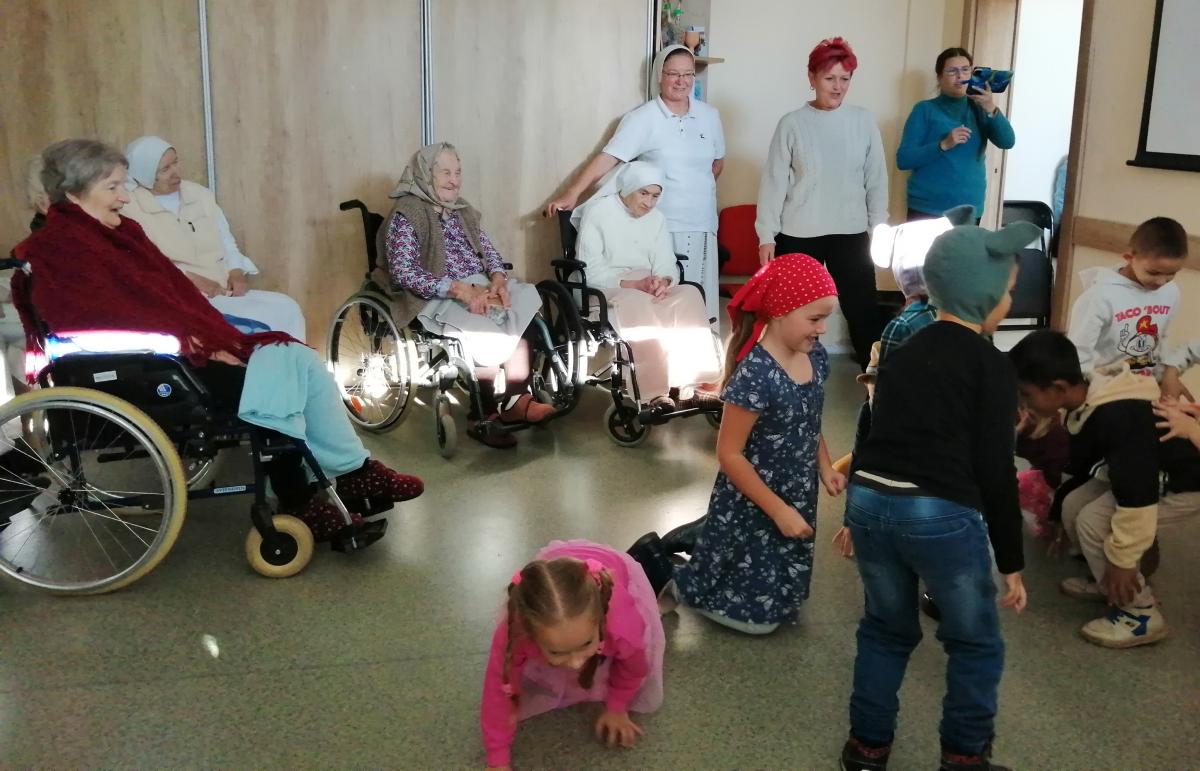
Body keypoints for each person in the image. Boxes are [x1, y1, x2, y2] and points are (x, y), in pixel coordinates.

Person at [12, 139, 423, 541]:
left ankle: (353, 472)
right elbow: (92, 329)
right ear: (73, 194)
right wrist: (194, 344)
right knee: (275, 382)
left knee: (298, 359)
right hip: (140, 370)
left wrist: (213, 337)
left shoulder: (121, 233)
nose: (124, 196)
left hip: (172, 353)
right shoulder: (60, 249)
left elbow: (175, 295)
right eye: (113, 187)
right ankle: (298, 497)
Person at [837, 219, 1040, 771]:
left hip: (871, 501)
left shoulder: (904, 349)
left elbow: (873, 433)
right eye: (1007, 289)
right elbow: (995, 470)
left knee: (885, 630)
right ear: (984, 294)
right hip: (939, 513)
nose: (1010, 299)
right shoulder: (992, 365)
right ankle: (964, 757)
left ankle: (866, 750)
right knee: (974, 642)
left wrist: (854, 514)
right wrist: (1011, 561)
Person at [630, 254, 847, 635]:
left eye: (826, 318)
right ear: (779, 311)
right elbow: (728, 454)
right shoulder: (755, 375)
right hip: (753, 498)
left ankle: (702, 537)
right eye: (815, 318)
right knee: (757, 623)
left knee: (779, 591)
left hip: (796, 490)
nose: (823, 329)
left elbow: (809, 421)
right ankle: (666, 571)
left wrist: (825, 466)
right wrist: (778, 510)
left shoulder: (814, 357)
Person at [1010, 330, 1200, 649]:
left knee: (1094, 523)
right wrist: (1058, 516)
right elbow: (1084, 468)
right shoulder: (1087, 400)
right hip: (1146, 476)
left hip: (1183, 482)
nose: (1023, 403)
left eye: (1026, 394)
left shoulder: (1118, 415)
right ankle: (1107, 583)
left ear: (1058, 388)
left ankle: (1140, 614)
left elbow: (1138, 495)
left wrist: (1123, 560)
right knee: (1074, 506)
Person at [381, 142, 554, 449]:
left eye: (458, 172)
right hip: (437, 295)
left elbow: (489, 252)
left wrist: (498, 279)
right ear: (425, 174)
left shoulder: (462, 211)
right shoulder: (407, 215)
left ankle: (516, 399)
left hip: (480, 286)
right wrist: (456, 288)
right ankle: (482, 414)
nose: (454, 180)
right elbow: (403, 272)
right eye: (445, 173)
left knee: (523, 309)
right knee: (484, 328)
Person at [545, 44, 726, 321]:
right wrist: (573, 192)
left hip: (703, 223)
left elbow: (717, 164)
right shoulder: (644, 118)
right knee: (662, 302)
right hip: (665, 223)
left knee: (698, 302)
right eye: (673, 74)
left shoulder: (709, 116)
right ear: (660, 76)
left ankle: (700, 345)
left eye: (688, 74)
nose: (681, 81)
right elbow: (609, 157)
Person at [755, 37, 888, 368]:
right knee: (791, 312)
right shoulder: (792, 123)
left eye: (845, 79)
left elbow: (876, 178)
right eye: (830, 78)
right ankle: (786, 374)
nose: (838, 86)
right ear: (812, 77)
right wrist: (766, 234)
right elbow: (773, 182)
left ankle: (876, 378)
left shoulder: (863, 120)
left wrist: (879, 228)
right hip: (799, 232)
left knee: (862, 309)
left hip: (851, 231)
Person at [480, 540, 664, 771]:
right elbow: (498, 690)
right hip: (555, 576)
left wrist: (617, 706)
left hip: (611, 568)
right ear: (530, 635)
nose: (576, 663)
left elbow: (633, 668)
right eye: (557, 651)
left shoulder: (623, 628)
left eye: (586, 643)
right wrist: (497, 760)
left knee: (620, 651)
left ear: (600, 622)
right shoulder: (514, 634)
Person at [120, 136, 307, 341]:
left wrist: (236, 271)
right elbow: (142, 263)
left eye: (176, 162)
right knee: (259, 320)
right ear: (144, 174)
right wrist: (191, 279)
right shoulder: (129, 207)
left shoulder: (200, 195)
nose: (176, 172)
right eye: (165, 169)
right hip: (182, 296)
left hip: (222, 289)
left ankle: (293, 362)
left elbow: (226, 241)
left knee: (287, 307)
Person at [572, 161, 722, 409]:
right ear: (629, 188)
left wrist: (663, 281)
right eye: (644, 193)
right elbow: (590, 269)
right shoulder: (598, 212)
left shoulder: (657, 218)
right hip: (607, 287)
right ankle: (653, 392)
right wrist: (634, 284)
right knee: (637, 302)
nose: (649, 203)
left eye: (655, 196)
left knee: (688, 293)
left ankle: (689, 385)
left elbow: (665, 261)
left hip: (646, 284)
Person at [1066, 216, 1191, 398]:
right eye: (1153, 272)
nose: (1161, 281)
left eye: (1171, 274)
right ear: (1130, 258)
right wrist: (1084, 390)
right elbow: (1079, 350)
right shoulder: (1100, 296)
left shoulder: (1171, 292)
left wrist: (1163, 376)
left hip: (1143, 385)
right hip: (1102, 387)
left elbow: (1161, 337)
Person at [897, 47, 1015, 222]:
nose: (960, 76)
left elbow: (1007, 141)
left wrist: (990, 107)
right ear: (939, 77)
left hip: (969, 210)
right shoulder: (924, 109)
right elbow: (904, 159)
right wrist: (943, 145)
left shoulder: (980, 109)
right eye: (952, 71)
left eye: (965, 70)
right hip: (927, 208)